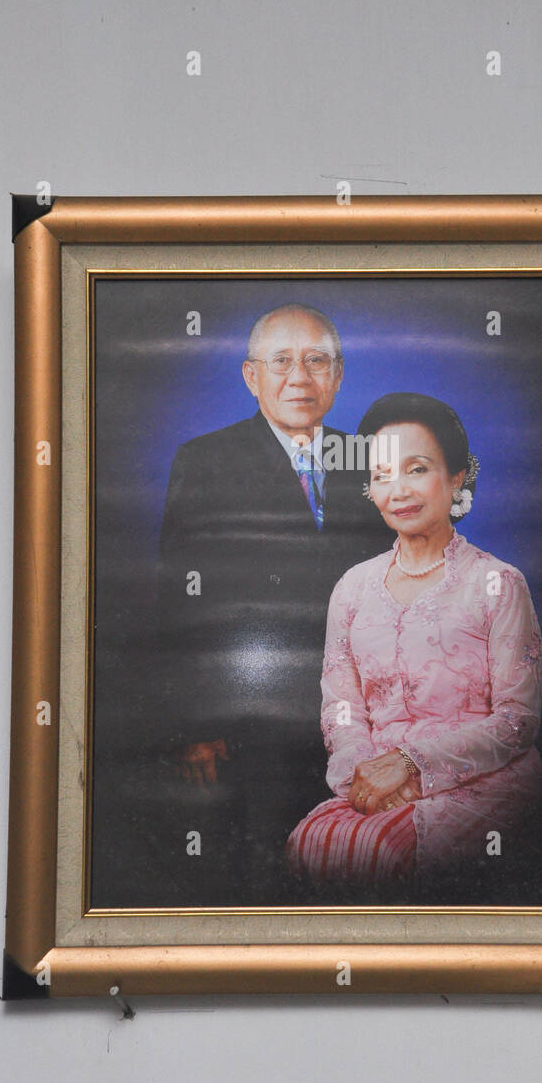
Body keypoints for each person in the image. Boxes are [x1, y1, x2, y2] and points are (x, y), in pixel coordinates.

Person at [155, 303, 388, 901]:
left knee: (359, 881)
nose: (299, 378)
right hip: (250, 728)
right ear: (250, 375)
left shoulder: (369, 459)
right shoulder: (204, 461)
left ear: (338, 376)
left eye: (317, 361)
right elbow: (180, 603)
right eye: (281, 361)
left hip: (365, 724)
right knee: (264, 885)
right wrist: (195, 726)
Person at [286, 392, 542, 893]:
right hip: (374, 783)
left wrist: (409, 766)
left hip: (480, 782)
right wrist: (363, 775)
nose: (398, 490)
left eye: (417, 469)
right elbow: (341, 709)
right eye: (381, 475)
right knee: (308, 842)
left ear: (456, 478)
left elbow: (517, 724)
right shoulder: (353, 587)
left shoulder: (497, 583)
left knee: (379, 853)